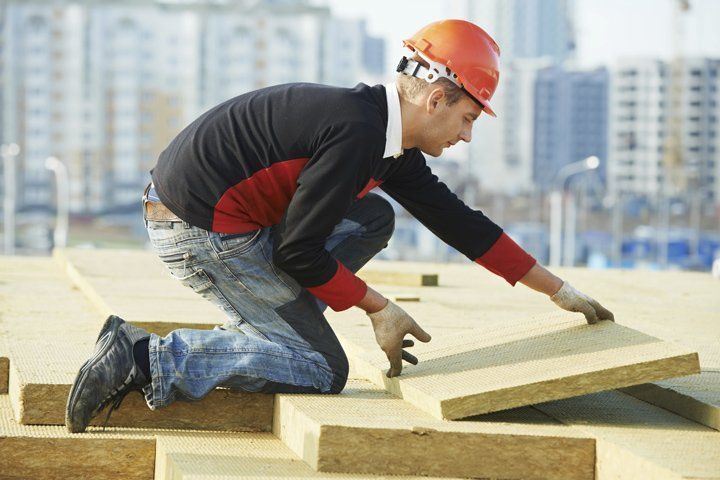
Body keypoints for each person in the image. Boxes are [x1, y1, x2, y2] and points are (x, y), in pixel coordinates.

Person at [66, 19, 614, 433]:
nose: (467, 136)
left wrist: (558, 291)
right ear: (437, 97)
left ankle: (280, 328)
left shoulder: (384, 138)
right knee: (322, 369)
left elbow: (460, 224)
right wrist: (378, 307)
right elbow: (300, 253)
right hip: (198, 232)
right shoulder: (356, 135)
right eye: (468, 118)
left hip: (221, 219)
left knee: (373, 216)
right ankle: (143, 356)